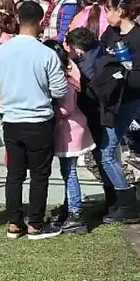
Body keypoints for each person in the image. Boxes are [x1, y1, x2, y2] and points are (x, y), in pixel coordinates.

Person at [0, 1, 69, 239]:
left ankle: (14, 223)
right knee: (39, 176)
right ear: (41, 22)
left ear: (18, 20)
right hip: (40, 121)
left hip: (12, 121)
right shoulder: (47, 54)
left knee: (15, 174)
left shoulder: (1, 52)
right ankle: (36, 224)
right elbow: (60, 90)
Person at [69, 26, 140, 224]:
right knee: (102, 152)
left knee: (107, 153)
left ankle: (128, 206)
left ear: (78, 49)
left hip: (118, 107)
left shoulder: (87, 66)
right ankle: (114, 202)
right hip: (123, 104)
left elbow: (92, 92)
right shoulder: (100, 50)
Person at [100, 0, 140, 173]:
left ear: (120, 11)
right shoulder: (110, 32)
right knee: (109, 149)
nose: (106, 16)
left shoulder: (139, 38)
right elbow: (101, 54)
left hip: (127, 99)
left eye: (108, 10)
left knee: (107, 151)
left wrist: (120, 73)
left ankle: (123, 189)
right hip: (109, 97)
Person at [46, 39, 95, 234]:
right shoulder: (71, 72)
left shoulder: (64, 80)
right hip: (72, 129)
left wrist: (48, 108)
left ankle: (76, 213)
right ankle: (70, 207)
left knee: (70, 172)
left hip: (69, 130)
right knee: (67, 171)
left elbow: (66, 109)